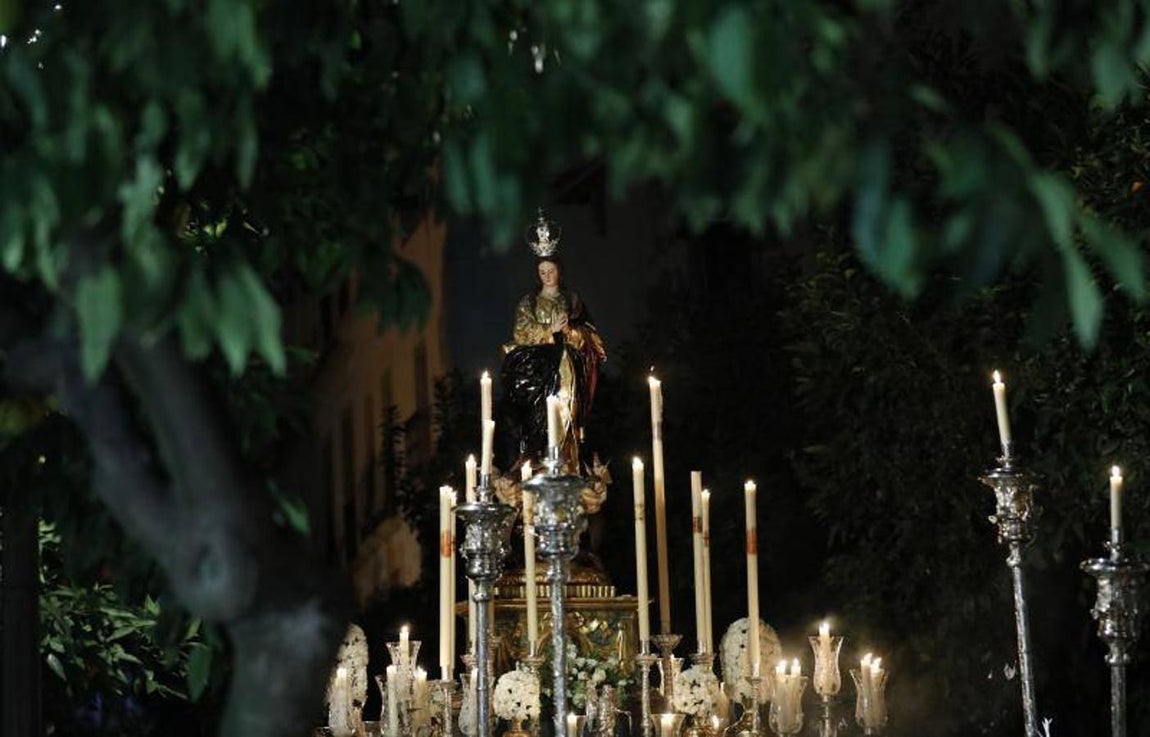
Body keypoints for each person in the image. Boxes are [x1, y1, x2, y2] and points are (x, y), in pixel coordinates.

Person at [501, 255, 606, 474]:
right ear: (537, 274)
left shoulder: (573, 302)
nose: (548, 276)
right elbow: (521, 332)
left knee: (566, 406)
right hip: (537, 367)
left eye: (551, 270)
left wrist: (569, 331)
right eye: (542, 272)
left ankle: (567, 457)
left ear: (560, 271)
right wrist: (550, 331)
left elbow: (591, 337)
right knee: (537, 414)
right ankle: (539, 455)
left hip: (566, 365)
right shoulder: (528, 303)